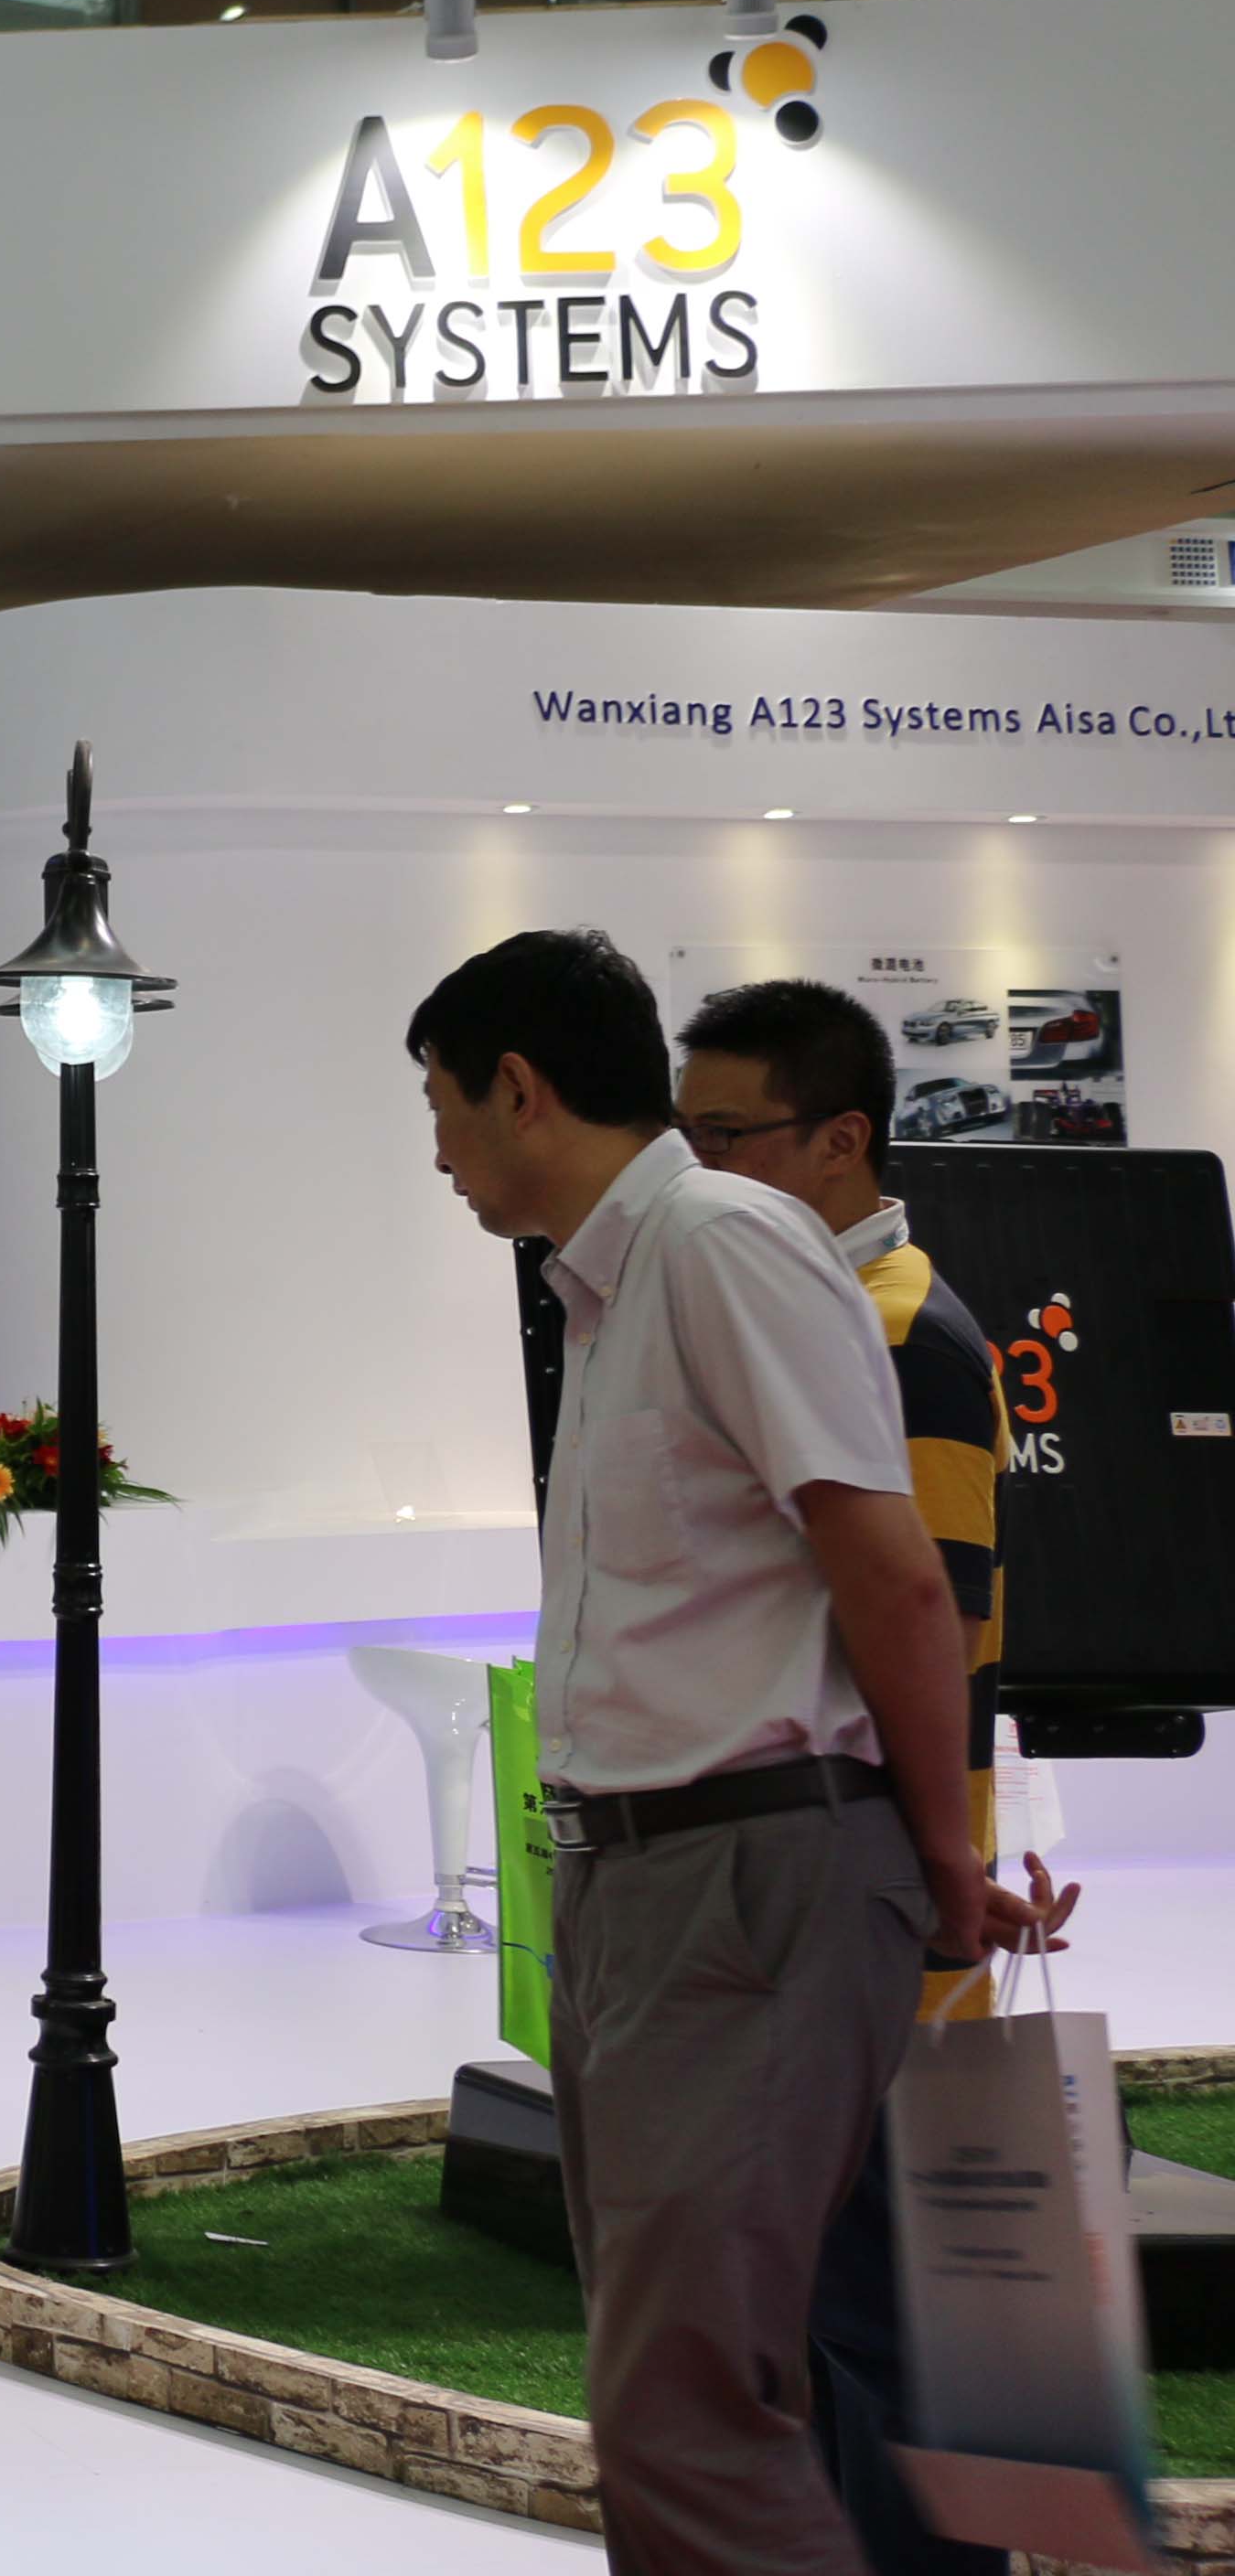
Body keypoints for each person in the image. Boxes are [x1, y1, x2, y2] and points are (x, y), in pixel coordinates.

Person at [411, 929, 1066, 2572]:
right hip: (652, 1883)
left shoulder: (717, 1244)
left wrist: (941, 1856)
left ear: (517, 1087)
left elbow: (897, 1579)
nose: (436, 1150)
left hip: (748, 1872)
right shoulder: (614, 1286)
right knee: (674, 2393)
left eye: (439, 1104)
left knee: (687, 2407)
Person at [676, 976, 1056, 2576]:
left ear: (840, 1140)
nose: (697, 1172)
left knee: (886, 2341)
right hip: (853, 1890)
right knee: (840, 2335)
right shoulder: (827, 1314)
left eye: (724, 1137)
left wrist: (935, 1873)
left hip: (877, 1912)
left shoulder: (900, 1330)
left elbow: (935, 1630)